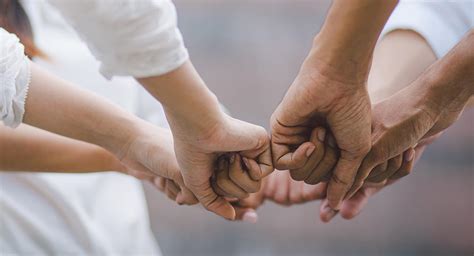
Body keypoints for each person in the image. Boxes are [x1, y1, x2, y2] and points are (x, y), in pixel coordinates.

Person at [0, 0, 273, 221]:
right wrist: (134, 152)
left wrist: (236, 158)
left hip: (121, 237)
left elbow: (157, 98)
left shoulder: (76, 14)